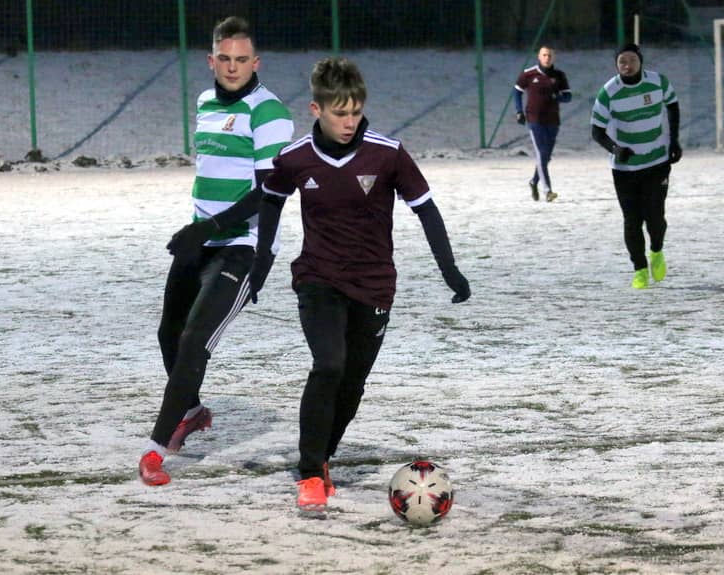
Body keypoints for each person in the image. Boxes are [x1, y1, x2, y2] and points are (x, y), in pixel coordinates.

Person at [247, 57, 471, 512]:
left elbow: (426, 209)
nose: (349, 122)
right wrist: (261, 260)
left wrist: (449, 268)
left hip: (374, 285)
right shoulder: (295, 158)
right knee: (328, 364)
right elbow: (270, 201)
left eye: (356, 111)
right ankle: (310, 473)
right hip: (317, 279)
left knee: (351, 382)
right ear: (316, 109)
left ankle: (323, 457)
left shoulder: (387, 153)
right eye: (340, 113)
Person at [138, 16, 294, 486]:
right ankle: (191, 412)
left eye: (241, 59)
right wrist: (197, 230)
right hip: (200, 239)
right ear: (211, 60)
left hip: (241, 246)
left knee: (194, 341)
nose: (232, 67)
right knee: (168, 334)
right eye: (224, 58)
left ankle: (155, 451)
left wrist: (217, 230)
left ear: (255, 62)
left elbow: (269, 192)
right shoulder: (205, 103)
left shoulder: (269, 112)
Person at [590, 43, 681, 289]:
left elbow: (672, 105)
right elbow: (596, 131)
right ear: (616, 65)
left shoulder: (658, 82)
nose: (627, 66)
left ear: (641, 62)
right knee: (632, 220)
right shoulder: (609, 92)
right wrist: (615, 149)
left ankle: (657, 251)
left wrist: (674, 140)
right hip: (625, 168)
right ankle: (639, 269)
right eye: (622, 62)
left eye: (632, 60)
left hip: (657, 161)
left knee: (655, 218)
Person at [514, 45, 572, 202]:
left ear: (554, 57)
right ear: (539, 57)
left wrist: (558, 97)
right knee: (541, 154)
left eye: (550, 55)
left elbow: (568, 96)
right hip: (534, 120)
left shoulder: (559, 75)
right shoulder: (528, 74)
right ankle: (548, 191)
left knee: (545, 157)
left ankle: (534, 182)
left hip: (553, 121)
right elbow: (517, 91)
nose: (547, 58)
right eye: (544, 55)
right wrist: (519, 111)